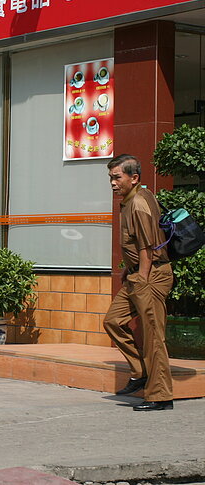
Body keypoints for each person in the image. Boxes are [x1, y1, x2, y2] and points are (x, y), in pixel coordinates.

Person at [103, 154, 174, 411]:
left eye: (117, 177)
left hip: (150, 276)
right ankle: (140, 370)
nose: (112, 182)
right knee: (113, 321)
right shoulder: (133, 198)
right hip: (137, 274)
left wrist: (141, 279)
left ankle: (160, 396)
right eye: (111, 177)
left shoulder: (139, 204)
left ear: (134, 178)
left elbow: (147, 246)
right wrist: (129, 271)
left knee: (153, 336)